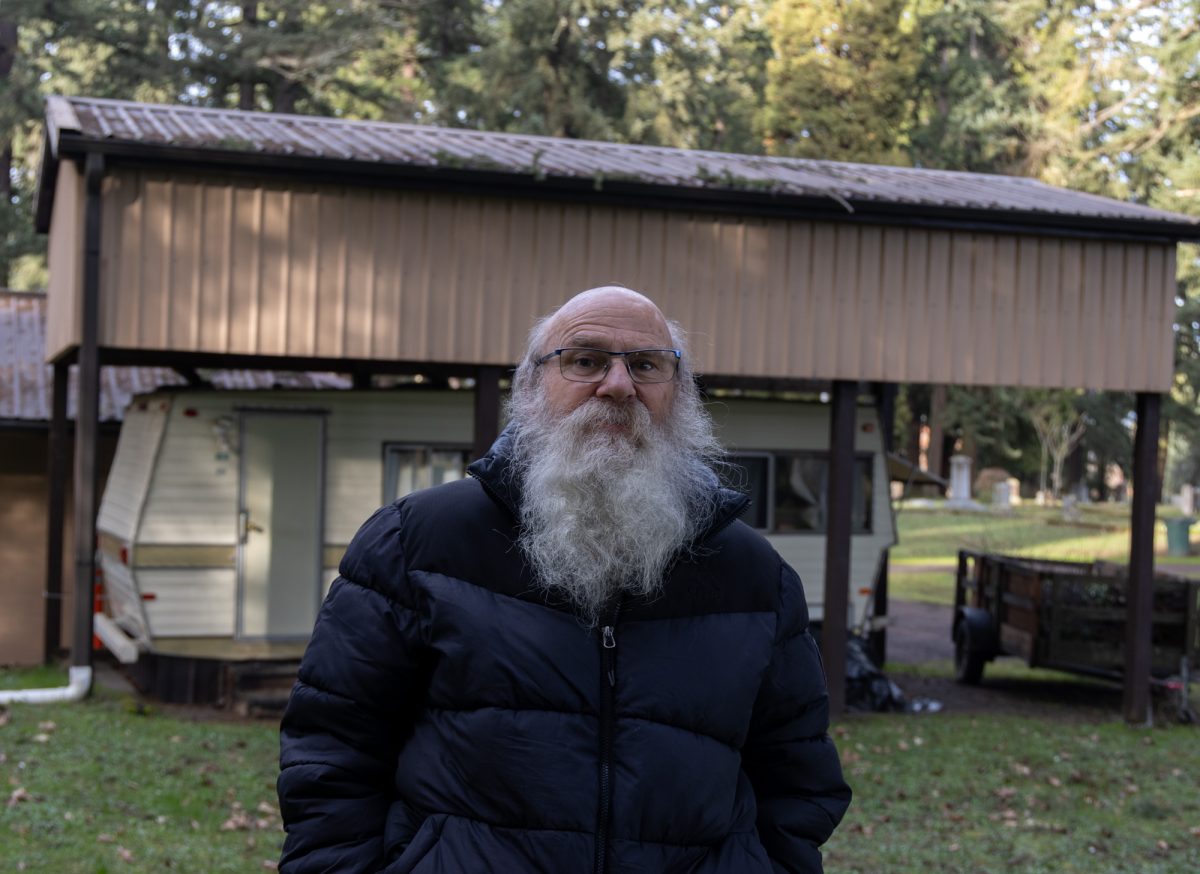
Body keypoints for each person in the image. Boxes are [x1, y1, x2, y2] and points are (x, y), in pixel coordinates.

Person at [277, 286, 851, 873]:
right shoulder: (417, 541)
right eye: (585, 360)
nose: (619, 386)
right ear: (531, 387)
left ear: (678, 394)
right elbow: (332, 752)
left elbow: (797, 780)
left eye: (647, 364)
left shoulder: (754, 575)